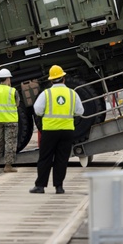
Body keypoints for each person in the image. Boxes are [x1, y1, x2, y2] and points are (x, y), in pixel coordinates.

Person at [30, 65, 83, 194]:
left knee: (45, 158)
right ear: (63, 78)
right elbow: (80, 111)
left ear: (51, 80)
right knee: (62, 159)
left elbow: (37, 110)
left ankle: (40, 186)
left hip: (50, 131)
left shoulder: (46, 93)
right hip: (66, 131)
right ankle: (59, 187)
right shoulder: (72, 93)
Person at [0, 68, 19, 174]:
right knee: (9, 143)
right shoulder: (13, 91)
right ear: (7, 79)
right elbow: (17, 103)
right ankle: (8, 165)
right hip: (10, 121)